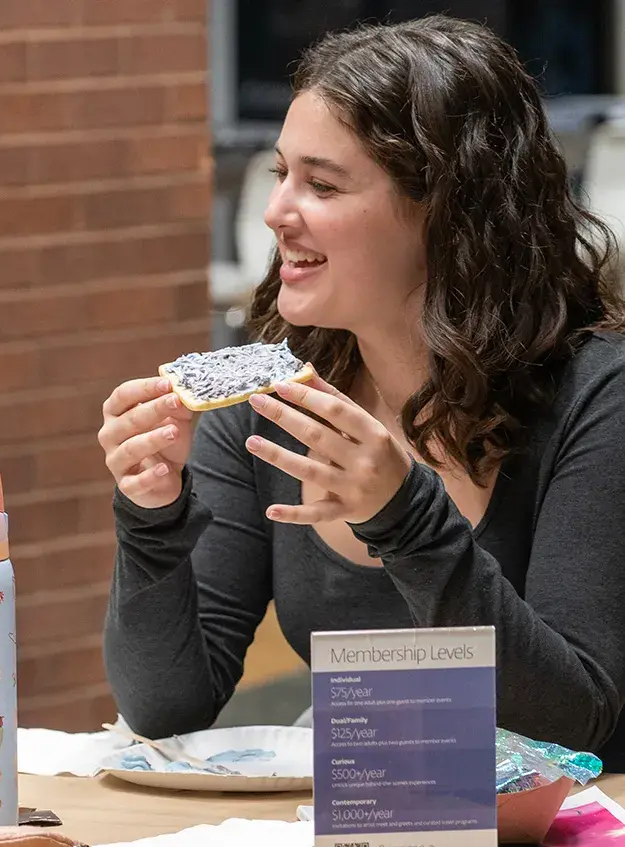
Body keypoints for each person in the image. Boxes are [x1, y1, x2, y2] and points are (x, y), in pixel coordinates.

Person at [98, 14, 625, 768]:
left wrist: (404, 519)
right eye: (280, 174)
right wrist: (150, 515)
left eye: (320, 183)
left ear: (444, 209)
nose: (277, 211)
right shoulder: (265, 404)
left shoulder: (596, 392)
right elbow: (168, 707)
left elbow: (574, 720)